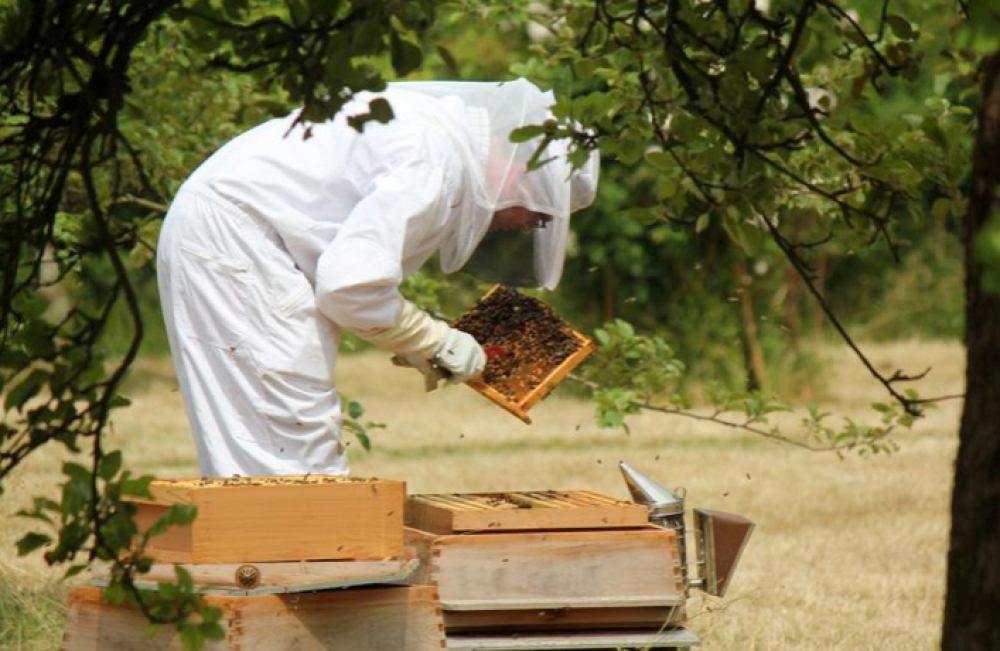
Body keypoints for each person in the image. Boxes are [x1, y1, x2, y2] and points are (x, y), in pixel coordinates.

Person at [156, 78, 600, 478]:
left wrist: (416, 340)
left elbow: (343, 261)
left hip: (237, 236)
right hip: (241, 242)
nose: (530, 225)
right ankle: (298, 565)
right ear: (526, 171)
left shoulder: (440, 136)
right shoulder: (434, 162)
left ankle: (271, 559)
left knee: (267, 446)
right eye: (542, 211)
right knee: (289, 449)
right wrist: (433, 341)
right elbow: (349, 286)